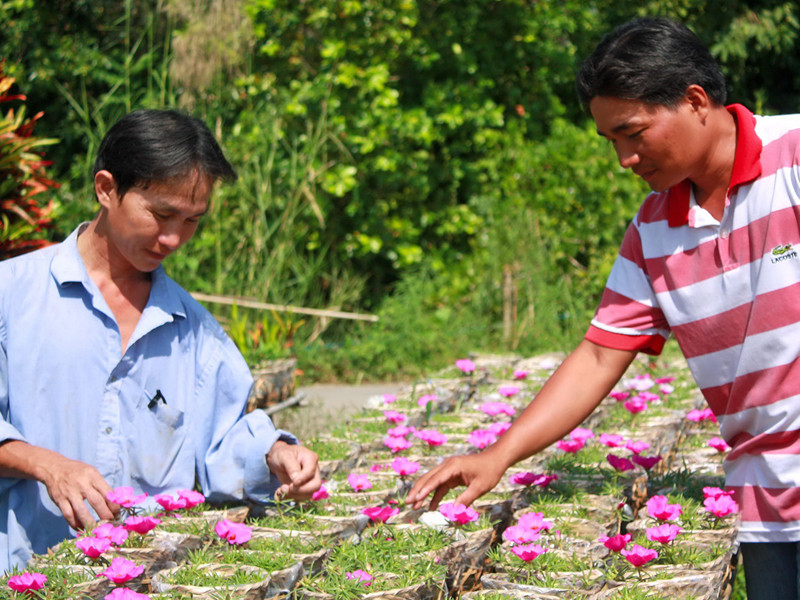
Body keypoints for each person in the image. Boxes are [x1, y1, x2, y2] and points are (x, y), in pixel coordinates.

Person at [407, 16, 800, 600]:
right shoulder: (652, 231)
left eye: (633, 132)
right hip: (766, 499)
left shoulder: (793, 157)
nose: (624, 158)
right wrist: (499, 455)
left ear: (695, 101)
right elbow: (597, 356)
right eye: (611, 141)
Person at [0, 109, 321, 572]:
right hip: (26, 573)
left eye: (192, 220)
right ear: (107, 188)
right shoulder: (12, 296)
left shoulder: (197, 333)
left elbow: (220, 441)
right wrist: (44, 464)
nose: (173, 238)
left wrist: (275, 454)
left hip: (148, 578)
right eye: (162, 213)